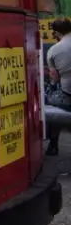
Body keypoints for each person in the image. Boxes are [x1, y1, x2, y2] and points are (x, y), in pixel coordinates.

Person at [45, 18, 71, 155]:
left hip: (68, 94)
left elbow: (54, 77)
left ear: (55, 33)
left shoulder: (53, 50)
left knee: (54, 106)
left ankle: (53, 143)